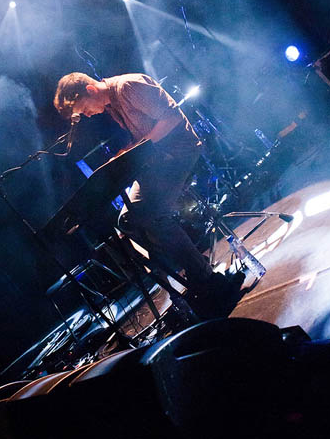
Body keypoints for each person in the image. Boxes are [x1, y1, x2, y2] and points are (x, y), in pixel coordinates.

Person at [53, 71, 244, 317]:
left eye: (84, 110)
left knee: (149, 215)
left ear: (90, 90)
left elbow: (171, 118)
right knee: (127, 221)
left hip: (179, 154)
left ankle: (208, 281)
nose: (87, 116)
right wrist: (125, 154)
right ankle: (192, 279)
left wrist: (133, 151)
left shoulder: (128, 87)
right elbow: (144, 134)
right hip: (158, 162)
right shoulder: (113, 104)